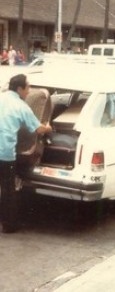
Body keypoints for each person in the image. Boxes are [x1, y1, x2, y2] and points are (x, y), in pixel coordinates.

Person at [0, 74, 52, 233]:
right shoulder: (21, 106)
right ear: (19, 89)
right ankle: (9, 225)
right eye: (28, 87)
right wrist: (49, 127)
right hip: (5, 152)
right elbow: (38, 129)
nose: (29, 91)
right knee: (8, 189)